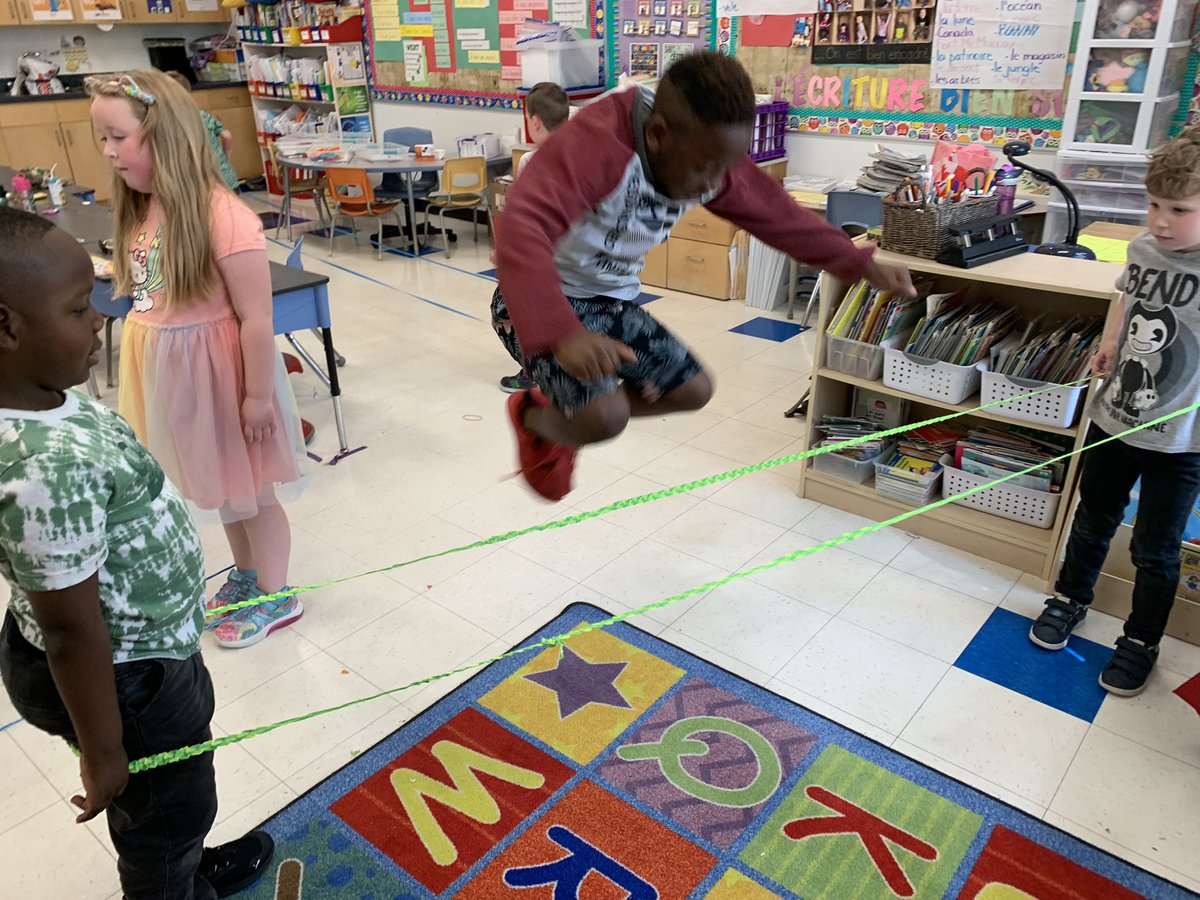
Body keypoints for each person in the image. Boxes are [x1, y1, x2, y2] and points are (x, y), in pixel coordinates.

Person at [0, 206, 274, 899]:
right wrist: (104, 751)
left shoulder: (41, 397)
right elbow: (67, 630)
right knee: (164, 809)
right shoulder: (39, 464)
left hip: (141, 653)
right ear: (6, 327)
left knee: (176, 792)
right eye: (76, 309)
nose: (99, 319)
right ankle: (168, 883)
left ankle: (182, 861)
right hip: (123, 673)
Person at [493, 52, 914, 501]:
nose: (711, 184)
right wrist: (562, 333)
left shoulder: (705, 154)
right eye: (704, 171)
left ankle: (570, 415)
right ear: (657, 135)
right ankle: (534, 416)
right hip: (536, 300)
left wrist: (859, 264)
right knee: (603, 418)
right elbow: (522, 226)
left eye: (723, 171)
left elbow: (777, 214)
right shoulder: (599, 144)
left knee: (693, 389)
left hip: (608, 304)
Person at [88, 70, 309, 648]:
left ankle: (277, 595)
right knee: (226, 488)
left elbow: (258, 318)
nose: (109, 153)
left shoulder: (225, 217)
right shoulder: (145, 209)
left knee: (255, 492)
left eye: (119, 138)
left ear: (165, 136)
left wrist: (258, 396)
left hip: (226, 381)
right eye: (101, 140)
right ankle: (248, 576)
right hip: (178, 381)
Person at [1028, 126, 1200, 696]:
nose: (1161, 221)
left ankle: (1141, 640)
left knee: (1155, 547)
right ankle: (1070, 597)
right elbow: (1126, 298)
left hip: (1181, 441)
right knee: (1094, 516)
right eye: (1154, 204)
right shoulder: (1143, 249)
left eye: (1179, 209)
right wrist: (1109, 339)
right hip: (1113, 418)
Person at [499, 81, 571, 395]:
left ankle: (538, 371)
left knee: (501, 309)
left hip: (549, 264)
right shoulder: (591, 155)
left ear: (535, 121)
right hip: (590, 265)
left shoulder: (532, 162)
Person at [165, 69, 239, 191]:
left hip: (204, 187)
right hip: (227, 180)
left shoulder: (169, 123)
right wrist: (226, 158)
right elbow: (226, 135)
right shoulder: (203, 115)